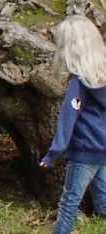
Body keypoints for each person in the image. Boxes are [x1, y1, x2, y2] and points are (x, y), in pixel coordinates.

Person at [40, 15, 106, 234]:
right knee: (104, 204)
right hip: (103, 151)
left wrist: (53, 152)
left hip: (84, 152)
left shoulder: (77, 83)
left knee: (68, 205)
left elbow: (68, 118)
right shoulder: (102, 80)